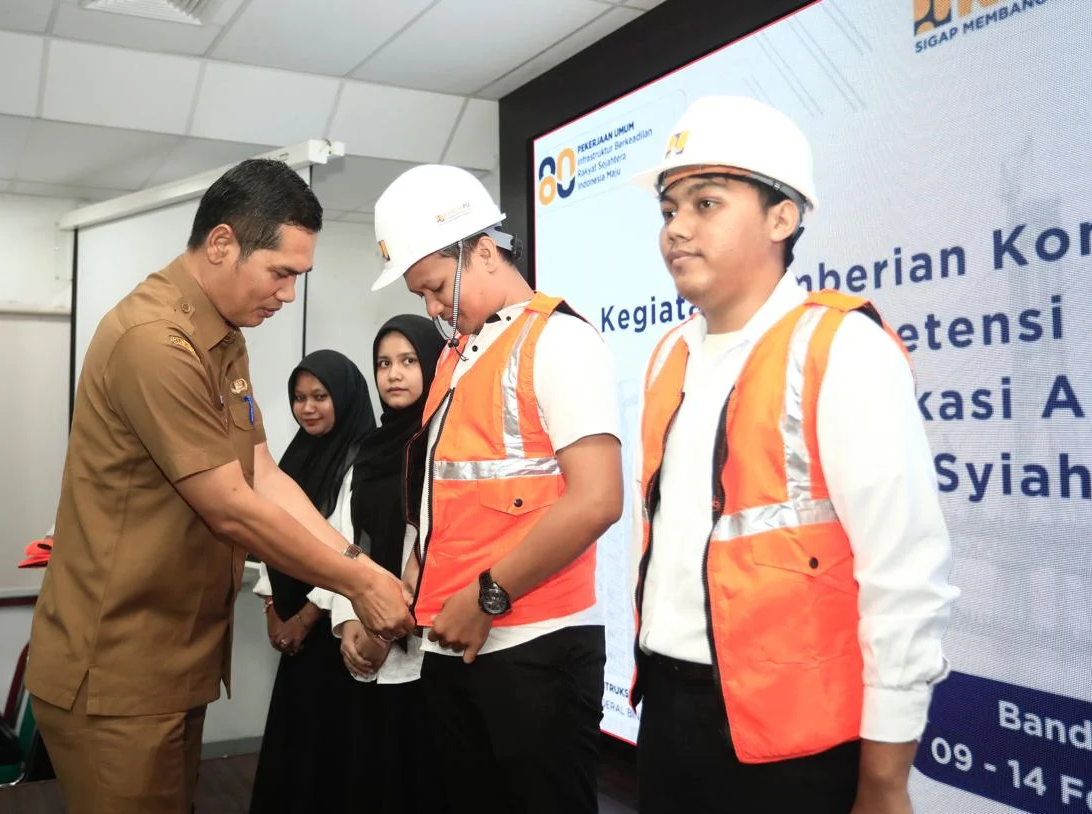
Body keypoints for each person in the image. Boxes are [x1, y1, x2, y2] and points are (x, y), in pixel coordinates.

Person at [24, 158, 413, 814]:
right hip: (117, 669)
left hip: (173, 661)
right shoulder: (156, 341)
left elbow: (263, 474)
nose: (288, 295)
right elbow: (231, 508)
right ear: (223, 244)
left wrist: (363, 567)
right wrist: (360, 583)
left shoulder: (222, 337)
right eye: (281, 273)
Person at [626, 95, 961, 814]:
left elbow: (904, 573)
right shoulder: (667, 357)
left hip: (795, 751)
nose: (677, 228)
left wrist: (884, 778)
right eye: (669, 209)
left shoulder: (841, 347)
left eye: (706, 203)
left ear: (782, 218)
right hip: (669, 714)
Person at [368, 163, 624, 814]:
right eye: (422, 296)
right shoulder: (456, 358)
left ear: (482, 251)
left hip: (534, 648)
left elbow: (598, 500)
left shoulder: (560, 342)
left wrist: (487, 597)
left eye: (435, 288)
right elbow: (447, 498)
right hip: (456, 642)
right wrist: (416, 572)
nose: (431, 309)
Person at [329, 314, 449, 813]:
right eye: (383, 363)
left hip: (426, 651)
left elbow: (434, 545)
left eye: (409, 361)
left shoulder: (441, 446)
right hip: (365, 635)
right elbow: (342, 540)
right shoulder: (367, 451)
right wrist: (350, 620)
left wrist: (383, 630)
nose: (394, 374)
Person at [248, 350, 375, 814]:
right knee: (296, 745)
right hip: (293, 624)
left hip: (336, 627)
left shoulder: (364, 456)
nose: (308, 408)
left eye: (320, 396)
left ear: (344, 396)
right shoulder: (294, 456)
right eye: (299, 398)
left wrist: (304, 617)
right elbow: (271, 533)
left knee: (331, 748)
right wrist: (272, 608)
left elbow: (348, 545)